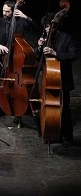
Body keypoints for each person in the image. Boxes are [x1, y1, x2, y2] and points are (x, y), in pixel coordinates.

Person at [0, 0, 36, 119]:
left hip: (17, 58)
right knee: (0, 83)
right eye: (3, 11)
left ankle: (18, 109)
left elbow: (35, 29)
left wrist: (26, 17)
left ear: (14, 11)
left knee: (17, 85)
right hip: (2, 58)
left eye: (7, 11)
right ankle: (2, 107)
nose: (4, 13)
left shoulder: (21, 22)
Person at [37, 12, 76, 147]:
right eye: (45, 27)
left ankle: (68, 135)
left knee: (64, 109)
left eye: (48, 27)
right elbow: (38, 59)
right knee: (49, 108)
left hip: (62, 79)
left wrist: (56, 54)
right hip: (48, 79)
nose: (46, 30)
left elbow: (73, 55)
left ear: (55, 26)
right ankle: (53, 134)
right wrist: (39, 47)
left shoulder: (67, 38)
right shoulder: (45, 38)